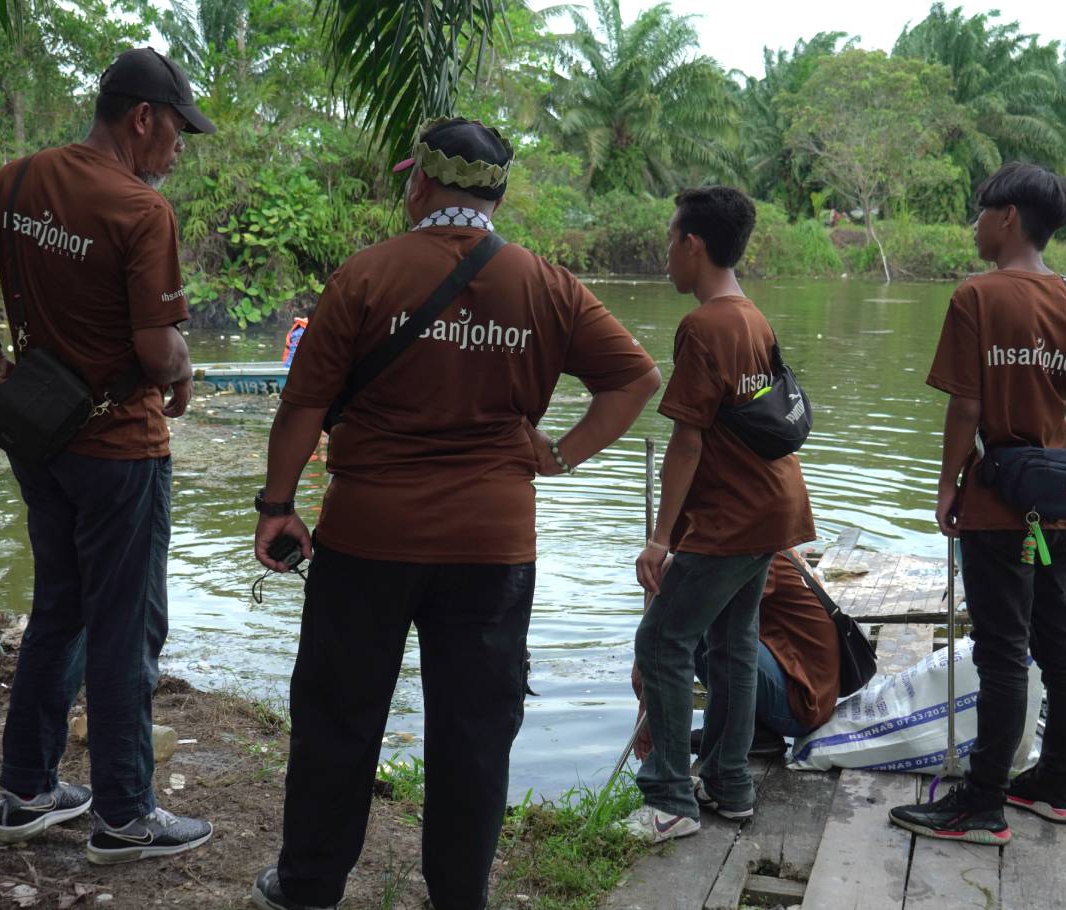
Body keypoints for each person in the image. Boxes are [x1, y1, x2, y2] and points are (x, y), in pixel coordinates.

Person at [248, 116, 660, 910]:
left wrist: (277, 507)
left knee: (339, 716)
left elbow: (302, 408)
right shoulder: (546, 285)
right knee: (474, 731)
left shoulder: (366, 275)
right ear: (497, 196)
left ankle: (308, 887)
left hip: (368, 539)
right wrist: (563, 453)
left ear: (421, 185)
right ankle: (459, 896)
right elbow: (636, 380)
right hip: (493, 548)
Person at [0, 47, 217, 862]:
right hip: (120, 450)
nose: (180, 148)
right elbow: (156, 353)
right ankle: (124, 815)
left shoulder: (20, 180)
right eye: (178, 129)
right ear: (142, 118)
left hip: (39, 437)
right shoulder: (142, 212)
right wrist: (185, 368)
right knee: (127, 629)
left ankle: (28, 790)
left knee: (60, 610)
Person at [889, 162, 1066, 845]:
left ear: (1009, 216)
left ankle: (982, 803)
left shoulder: (978, 296)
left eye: (983, 211)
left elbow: (966, 407)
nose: (977, 224)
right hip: (1064, 502)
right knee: (1059, 643)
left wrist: (948, 485)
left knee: (1000, 651)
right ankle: (1055, 783)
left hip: (997, 504)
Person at [629, 187, 815, 843]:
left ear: (693, 244)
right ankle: (729, 784)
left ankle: (670, 799)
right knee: (732, 642)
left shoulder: (703, 326)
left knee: (661, 642)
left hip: (733, 517)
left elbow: (687, 440)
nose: (666, 257)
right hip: (775, 506)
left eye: (669, 242)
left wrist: (660, 541)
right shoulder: (753, 317)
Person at [631, 550, 842, 762]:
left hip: (802, 705)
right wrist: (641, 668)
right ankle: (750, 729)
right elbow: (668, 570)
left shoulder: (755, 557)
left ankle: (739, 731)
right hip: (807, 690)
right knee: (697, 614)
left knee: (695, 623)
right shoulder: (762, 542)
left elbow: (683, 604)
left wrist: (649, 697)